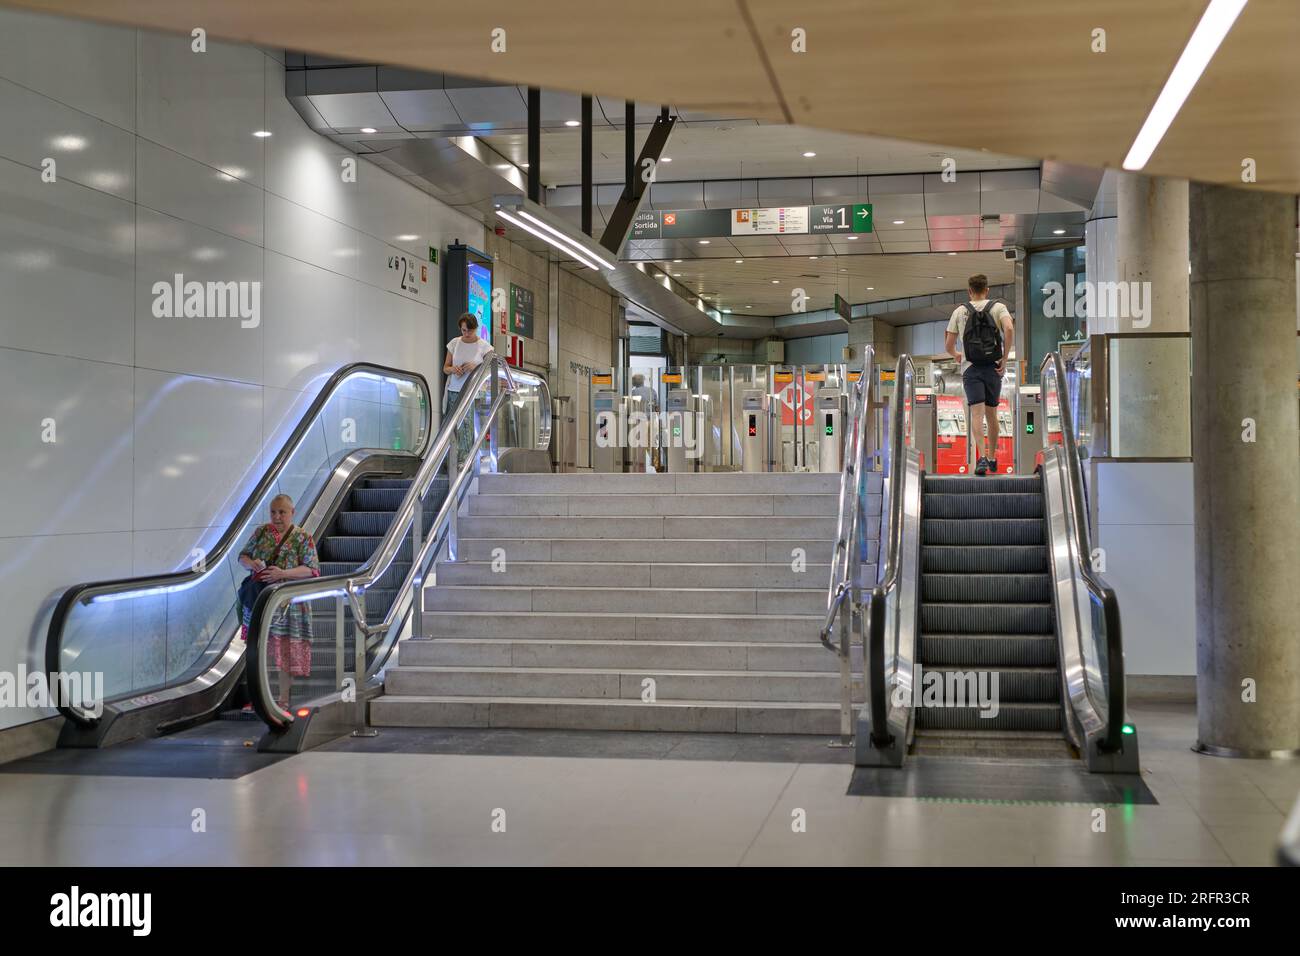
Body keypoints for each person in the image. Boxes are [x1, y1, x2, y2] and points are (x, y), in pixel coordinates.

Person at [237, 494, 320, 710]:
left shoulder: (303, 537)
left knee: (284, 650)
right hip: (259, 599)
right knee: (258, 648)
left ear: (292, 512)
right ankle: (260, 699)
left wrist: (283, 573)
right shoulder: (262, 532)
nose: (277, 516)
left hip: (288, 603)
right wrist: (252, 563)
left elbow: (312, 570)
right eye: (273, 512)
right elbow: (242, 556)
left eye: (282, 512)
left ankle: (283, 699)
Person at [944, 274, 1014, 476]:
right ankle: (992, 457)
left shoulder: (960, 311)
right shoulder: (997, 307)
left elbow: (949, 345)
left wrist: (958, 355)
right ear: (987, 289)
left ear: (969, 291)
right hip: (993, 367)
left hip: (971, 368)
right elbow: (1009, 328)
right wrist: (1005, 357)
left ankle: (981, 458)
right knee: (992, 414)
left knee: (977, 413)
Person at [443, 313, 495, 465]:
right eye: (463, 330)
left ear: (476, 329)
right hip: (454, 390)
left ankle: (465, 462)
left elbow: (491, 371)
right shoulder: (454, 343)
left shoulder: (485, 346)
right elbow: (445, 368)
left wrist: (476, 367)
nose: (466, 334)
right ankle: (452, 461)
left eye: (469, 331)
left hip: (472, 392)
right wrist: (454, 369)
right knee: (453, 426)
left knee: (467, 427)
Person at [627, 373, 659, 472]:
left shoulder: (633, 392)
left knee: (640, 445)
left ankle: (639, 466)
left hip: (640, 422)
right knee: (651, 444)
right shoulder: (652, 391)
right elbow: (656, 407)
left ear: (634, 382)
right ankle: (658, 465)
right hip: (652, 420)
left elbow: (629, 408)